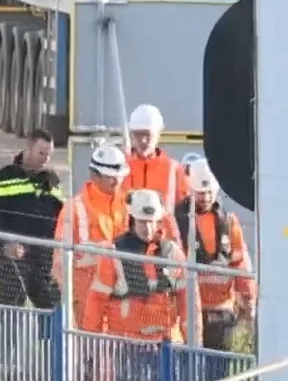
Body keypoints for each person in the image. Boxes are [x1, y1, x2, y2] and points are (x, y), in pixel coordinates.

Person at [79, 188, 187, 342]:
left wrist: (193, 346)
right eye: (142, 221)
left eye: (151, 221)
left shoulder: (173, 254)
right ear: (132, 220)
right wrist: (90, 346)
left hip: (166, 342)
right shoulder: (114, 254)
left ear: (159, 221)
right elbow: (96, 302)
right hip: (126, 343)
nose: (148, 228)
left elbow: (187, 303)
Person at [175, 160, 254, 350]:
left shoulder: (228, 221)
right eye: (201, 193)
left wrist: (249, 299)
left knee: (218, 370)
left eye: (210, 192)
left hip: (222, 310)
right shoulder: (178, 221)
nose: (206, 197)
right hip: (191, 310)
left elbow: (240, 263)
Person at [0, 128, 64, 309]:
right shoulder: (5, 176)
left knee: (53, 309)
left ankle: (48, 338)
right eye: (41, 153)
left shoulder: (51, 180)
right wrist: (6, 244)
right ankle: (9, 338)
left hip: (44, 258)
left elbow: (61, 217)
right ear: (29, 148)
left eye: (49, 155)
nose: (45, 159)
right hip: (12, 257)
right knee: (12, 311)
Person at [56, 142, 131, 306]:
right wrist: (70, 299)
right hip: (86, 297)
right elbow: (59, 260)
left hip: (123, 296)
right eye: (110, 176)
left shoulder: (129, 204)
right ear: (94, 175)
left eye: (120, 176)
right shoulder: (74, 208)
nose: (117, 181)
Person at [123, 103, 192, 238]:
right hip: (126, 245)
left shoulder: (174, 170)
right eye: (138, 135)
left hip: (162, 248)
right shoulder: (120, 167)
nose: (143, 140)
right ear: (131, 134)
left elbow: (186, 216)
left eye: (148, 135)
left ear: (159, 133)